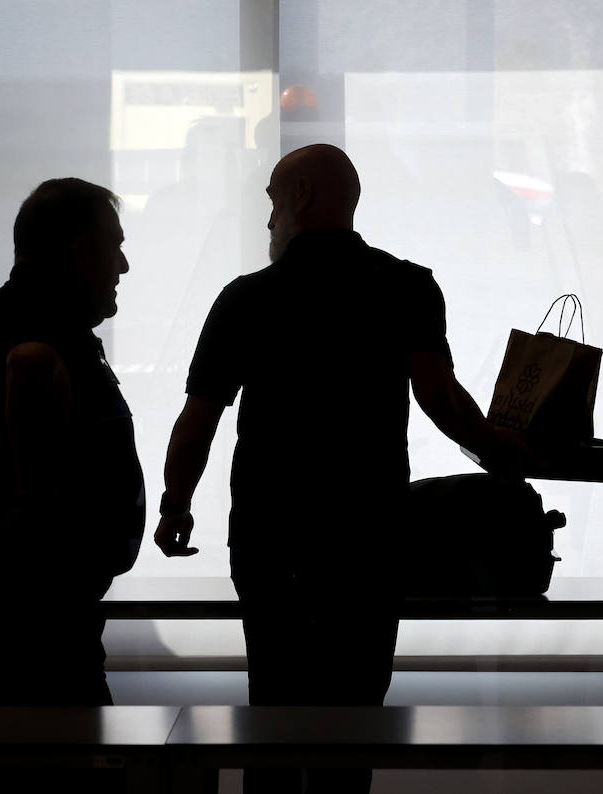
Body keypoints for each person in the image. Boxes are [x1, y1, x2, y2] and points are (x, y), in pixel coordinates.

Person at [155, 143, 527, 794]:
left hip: (271, 541)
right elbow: (441, 400)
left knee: (271, 712)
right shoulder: (407, 287)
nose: (268, 220)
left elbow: (198, 422)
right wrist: (503, 453)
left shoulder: (246, 299)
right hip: (370, 542)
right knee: (354, 728)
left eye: (272, 202)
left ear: (299, 198)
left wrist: (175, 505)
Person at [0, 178, 145, 787]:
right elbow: (35, 496)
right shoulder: (39, 336)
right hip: (32, 630)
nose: (122, 263)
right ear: (76, 251)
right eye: (113, 246)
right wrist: (52, 546)